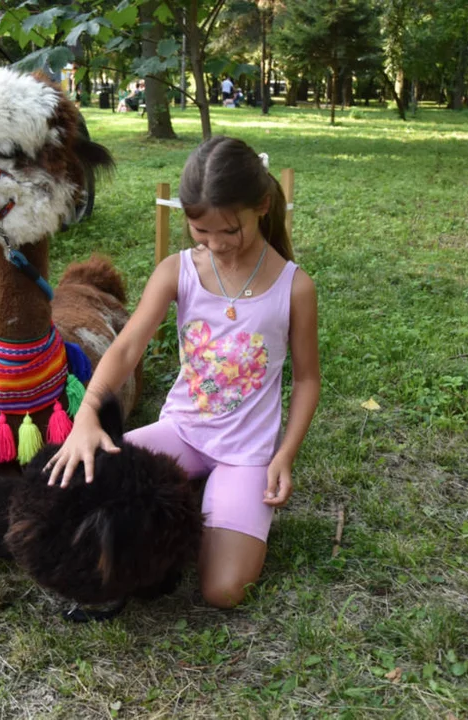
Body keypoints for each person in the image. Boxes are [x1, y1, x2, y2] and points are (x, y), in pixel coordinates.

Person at [44, 136, 320, 609]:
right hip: (182, 431)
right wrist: (88, 414)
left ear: (263, 206)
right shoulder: (178, 271)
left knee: (222, 590)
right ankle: (188, 494)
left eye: (230, 232)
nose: (216, 245)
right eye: (200, 232)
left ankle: (207, 499)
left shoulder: (295, 288)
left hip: (245, 455)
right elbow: (128, 345)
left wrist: (284, 456)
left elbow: (308, 379)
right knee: (87, 488)